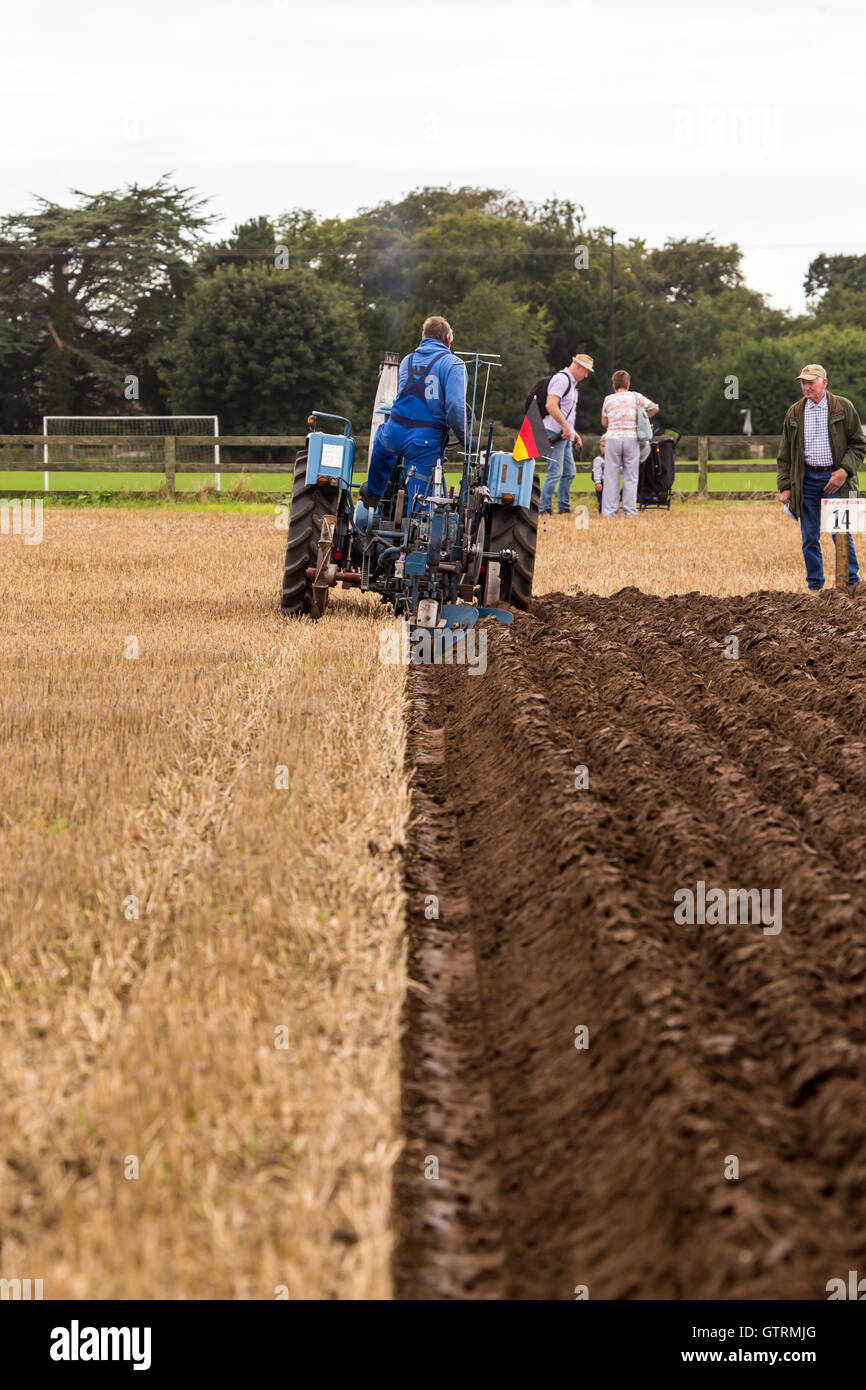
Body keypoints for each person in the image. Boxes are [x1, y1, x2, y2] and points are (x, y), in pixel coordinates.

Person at [360, 316, 469, 509]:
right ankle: (416, 524)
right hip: (425, 442)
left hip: (393, 434)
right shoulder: (454, 365)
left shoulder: (407, 361)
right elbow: (454, 406)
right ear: (449, 340)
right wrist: (464, 438)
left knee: (381, 440)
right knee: (421, 505)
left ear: (424, 337)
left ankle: (374, 496)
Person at [777, 363, 864, 591]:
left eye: (811, 382)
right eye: (803, 383)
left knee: (840, 534)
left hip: (837, 480)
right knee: (809, 538)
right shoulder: (795, 412)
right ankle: (815, 588)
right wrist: (785, 486)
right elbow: (785, 453)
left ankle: (851, 584)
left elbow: (859, 445)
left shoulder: (843, 407)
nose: (806, 387)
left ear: (824, 382)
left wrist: (843, 472)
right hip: (806, 480)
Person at [539, 354, 594, 515]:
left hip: (564, 433)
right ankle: (545, 508)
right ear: (578, 366)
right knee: (555, 472)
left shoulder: (572, 383)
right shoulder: (562, 380)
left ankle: (563, 507)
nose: (586, 375)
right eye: (585, 371)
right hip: (555, 432)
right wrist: (565, 427)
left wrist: (573, 432)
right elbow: (551, 405)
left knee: (569, 472)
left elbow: (566, 412)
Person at [600, 370, 659, 517]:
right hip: (631, 438)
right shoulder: (636, 397)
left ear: (614, 385)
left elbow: (604, 422)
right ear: (628, 384)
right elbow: (655, 407)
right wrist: (643, 417)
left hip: (612, 438)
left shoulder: (608, 399)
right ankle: (630, 511)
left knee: (611, 476)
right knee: (631, 476)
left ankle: (609, 512)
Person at [591, 436, 606, 511]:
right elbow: (596, 472)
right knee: (602, 499)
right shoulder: (598, 460)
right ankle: (602, 511)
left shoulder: (614, 460)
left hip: (611, 482)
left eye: (607, 446)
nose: (604, 448)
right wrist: (598, 482)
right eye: (603, 446)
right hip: (602, 482)